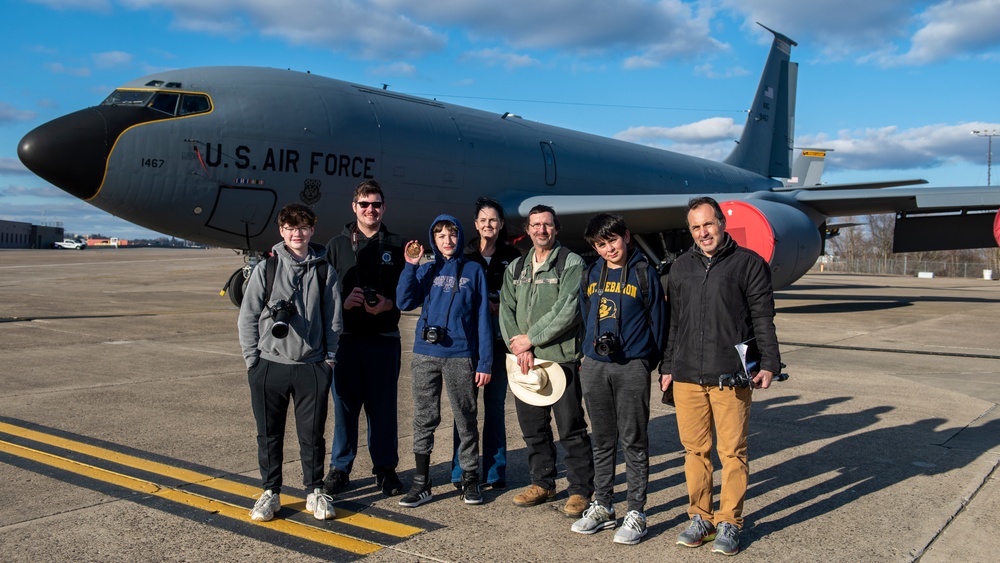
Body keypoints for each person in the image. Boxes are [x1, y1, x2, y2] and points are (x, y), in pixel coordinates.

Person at [659, 197, 780, 556]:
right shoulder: (680, 268)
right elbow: (674, 324)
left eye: (708, 224)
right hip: (687, 376)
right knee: (695, 451)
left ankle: (730, 521)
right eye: (695, 227)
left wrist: (770, 362)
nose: (703, 232)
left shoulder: (749, 265)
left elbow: (763, 318)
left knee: (732, 452)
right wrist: (668, 366)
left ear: (722, 224)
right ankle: (701, 517)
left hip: (731, 375)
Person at [238, 203, 343, 522]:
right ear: (281, 231)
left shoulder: (324, 270)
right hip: (269, 365)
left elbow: (334, 320)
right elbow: (248, 317)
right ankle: (270, 491)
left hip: (311, 366)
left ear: (312, 230)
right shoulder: (266, 269)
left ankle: (314, 490)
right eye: (290, 228)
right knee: (268, 433)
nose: (297, 234)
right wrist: (252, 361)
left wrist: (328, 360)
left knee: (312, 435)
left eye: (303, 228)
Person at [571, 213, 666, 545]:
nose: (608, 248)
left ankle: (636, 511)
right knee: (602, 439)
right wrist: (589, 352)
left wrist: (646, 362)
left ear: (626, 236)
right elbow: (586, 315)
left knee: (634, 441)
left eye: (612, 240)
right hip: (596, 365)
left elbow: (658, 322)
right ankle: (603, 504)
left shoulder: (644, 273)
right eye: (600, 244)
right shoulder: (592, 273)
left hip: (632, 367)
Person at [499, 204, 595, 519]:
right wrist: (519, 346)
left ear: (556, 228)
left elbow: (567, 311)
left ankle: (581, 489)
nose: (542, 230)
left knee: (571, 427)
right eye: (536, 225)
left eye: (547, 225)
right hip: (524, 361)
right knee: (533, 428)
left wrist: (532, 339)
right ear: (527, 230)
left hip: (560, 361)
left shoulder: (571, 263)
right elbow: (506, 310)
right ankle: (543, 483)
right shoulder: (515, 267)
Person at [396, 215, 493, 507]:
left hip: (461, 356)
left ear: (459, 238)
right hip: (426, 354)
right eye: (440, 236)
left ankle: (470, 479)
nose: (447, 241)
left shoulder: (474, 270)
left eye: (452, 235)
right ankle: (421, 483)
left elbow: (482, 318)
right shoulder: (428, 270)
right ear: (433, 241)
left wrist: (485, 362)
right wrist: (410, 267)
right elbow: (403, 302)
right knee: (424, 418)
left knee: (465, 418)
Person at [323, 180, 407, 497]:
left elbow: (410, 292)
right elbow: (323, 294)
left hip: (384, 339)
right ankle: (340, 468)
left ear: (384, 207)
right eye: (364, 204)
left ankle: (385, 469)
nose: (370, 209)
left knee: (382, 408)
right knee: (344, 408)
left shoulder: (398, 247)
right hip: (346, 340)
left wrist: (390, 304)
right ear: (354, 207)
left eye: (376, 204)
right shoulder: (336, 246)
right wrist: (343, 303)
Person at [449, 197, 521, 491]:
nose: (488, 224)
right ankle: (461, 469)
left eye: (493, 220)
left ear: (501, 224)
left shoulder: (513, 256)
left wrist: (500, 304)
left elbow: (520, 296)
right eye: (483, 220)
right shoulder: (464, 255)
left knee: (494, 408)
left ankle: (494, 469)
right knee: (463, 409)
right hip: (469, 343)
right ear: (476, 224)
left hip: (501, 341)